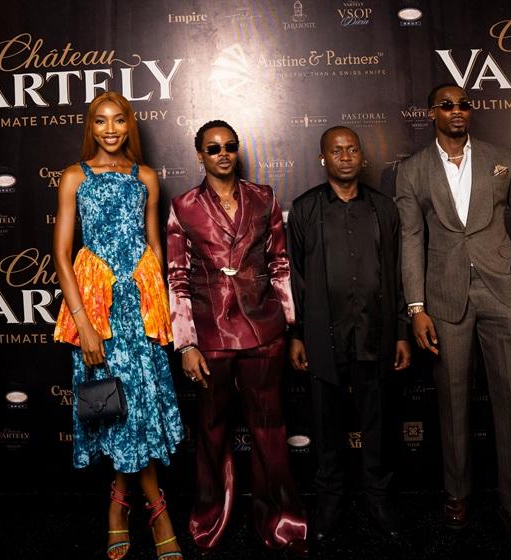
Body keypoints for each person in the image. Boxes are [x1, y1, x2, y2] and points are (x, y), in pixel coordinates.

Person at [395, 83, 511, 555]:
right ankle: (457, 493)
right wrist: (416, 307)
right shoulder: (412, 170)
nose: (457, 111)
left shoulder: (505, 159)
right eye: (447, 105)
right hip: (444, 298)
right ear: (431, 113)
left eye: (463, 104)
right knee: (452, 402)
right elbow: (411, 240)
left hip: (501, 294)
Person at [166, 120, 308, 556]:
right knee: (211, 432)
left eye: (229, 146)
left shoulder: (264, 197)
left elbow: (280, 263)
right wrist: (186, 343)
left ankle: (282, 522)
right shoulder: (183, 205)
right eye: (213, 148)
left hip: (265, 332)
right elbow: (176, 277)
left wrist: (289, 324)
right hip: (209, 335)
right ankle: (210, 520)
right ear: (200, 155)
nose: (223, 153)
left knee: (270, 430)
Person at [53, 91, 184, 560]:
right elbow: (62, 256)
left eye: (119, 120)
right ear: (91, 126)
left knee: (141, 407)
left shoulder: (145, 177)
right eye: (101, 121)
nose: (110, 130)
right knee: (117, 407)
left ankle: (118, 504)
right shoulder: (74, 176)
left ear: (130, 125)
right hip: (98, 310)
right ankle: (157, 510)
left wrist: (163, 311)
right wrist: (85, 325)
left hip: (141, 307)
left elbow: (155, 246)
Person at [288, 126, 411, 542]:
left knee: (378, 423)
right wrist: (297, 334)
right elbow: (295, 278)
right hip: (323, 337)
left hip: (376, 333)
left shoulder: (383, 208)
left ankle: (379, 500)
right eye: (337, 150)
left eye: (352, 149)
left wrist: (401, 331)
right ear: (323, 158)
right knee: (326, 427)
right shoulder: (304, 209)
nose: (345, 156)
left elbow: (397, 273)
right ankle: (330, 503)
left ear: (362, 157)